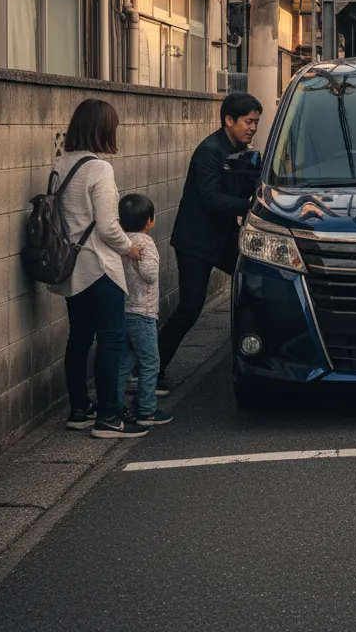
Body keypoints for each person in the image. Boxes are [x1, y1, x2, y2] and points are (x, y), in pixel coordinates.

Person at [52, 99, 149, 440]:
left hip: (71, 267)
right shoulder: (100, 169)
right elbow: (108, 227)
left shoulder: (61, 164)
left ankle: (80, 410)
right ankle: (109, 417)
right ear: (103, 129)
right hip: (99, 268)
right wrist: (130, 249)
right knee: (111, 340)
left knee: (79, 337)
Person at [157, 92, 263, 391]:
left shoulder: (240, 149)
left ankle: (258, 351)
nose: (253, 128)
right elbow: (211, 198)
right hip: (195, 242)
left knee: (256, 282)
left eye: (256, 122)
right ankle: (150, 371)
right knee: (190, 309)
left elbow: (250, 185)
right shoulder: (210, 150)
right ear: (229, 120)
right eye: (248, 122)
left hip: (222, 238)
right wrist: (251, 205)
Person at [116, 193, 172, 426]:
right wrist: (138, 260)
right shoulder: (145, 243)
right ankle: (147, 409)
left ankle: (115, 406)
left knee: (124, 362)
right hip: (143, 313)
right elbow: (149, 275)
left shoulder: (120, 241)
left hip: (124, 310)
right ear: (150, 221)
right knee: (150, 362)